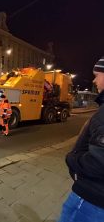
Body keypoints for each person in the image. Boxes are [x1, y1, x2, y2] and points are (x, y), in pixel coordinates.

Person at [58, 56, 104, 222]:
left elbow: (99, 163)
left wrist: (72, 159)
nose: (94, 79)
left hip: (91, 199)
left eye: (97, 74)